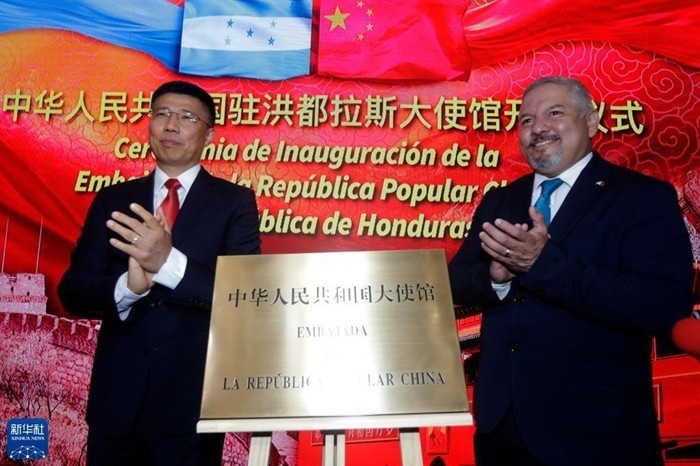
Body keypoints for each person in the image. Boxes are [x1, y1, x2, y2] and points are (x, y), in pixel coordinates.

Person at [448, 76, 693, 466]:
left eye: (554, 113)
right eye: (526, 120)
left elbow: (664, 304)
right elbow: (456, 280)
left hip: (597, 432)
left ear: (591, 122)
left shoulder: (641, 197)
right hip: (504, 431)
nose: (538, 128)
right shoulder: (500, 200)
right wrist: (495, 277)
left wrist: (542, 265)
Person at [58, 80, 261, 465]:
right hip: (115, 407)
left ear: (209, 135)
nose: (171, 125)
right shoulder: (114, 199)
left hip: (191, 409)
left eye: (187, 117)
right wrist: (127, 288)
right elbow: (73, 291)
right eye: (162, 114)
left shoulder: (234, 203)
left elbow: (243, 296)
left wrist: (166, 264)